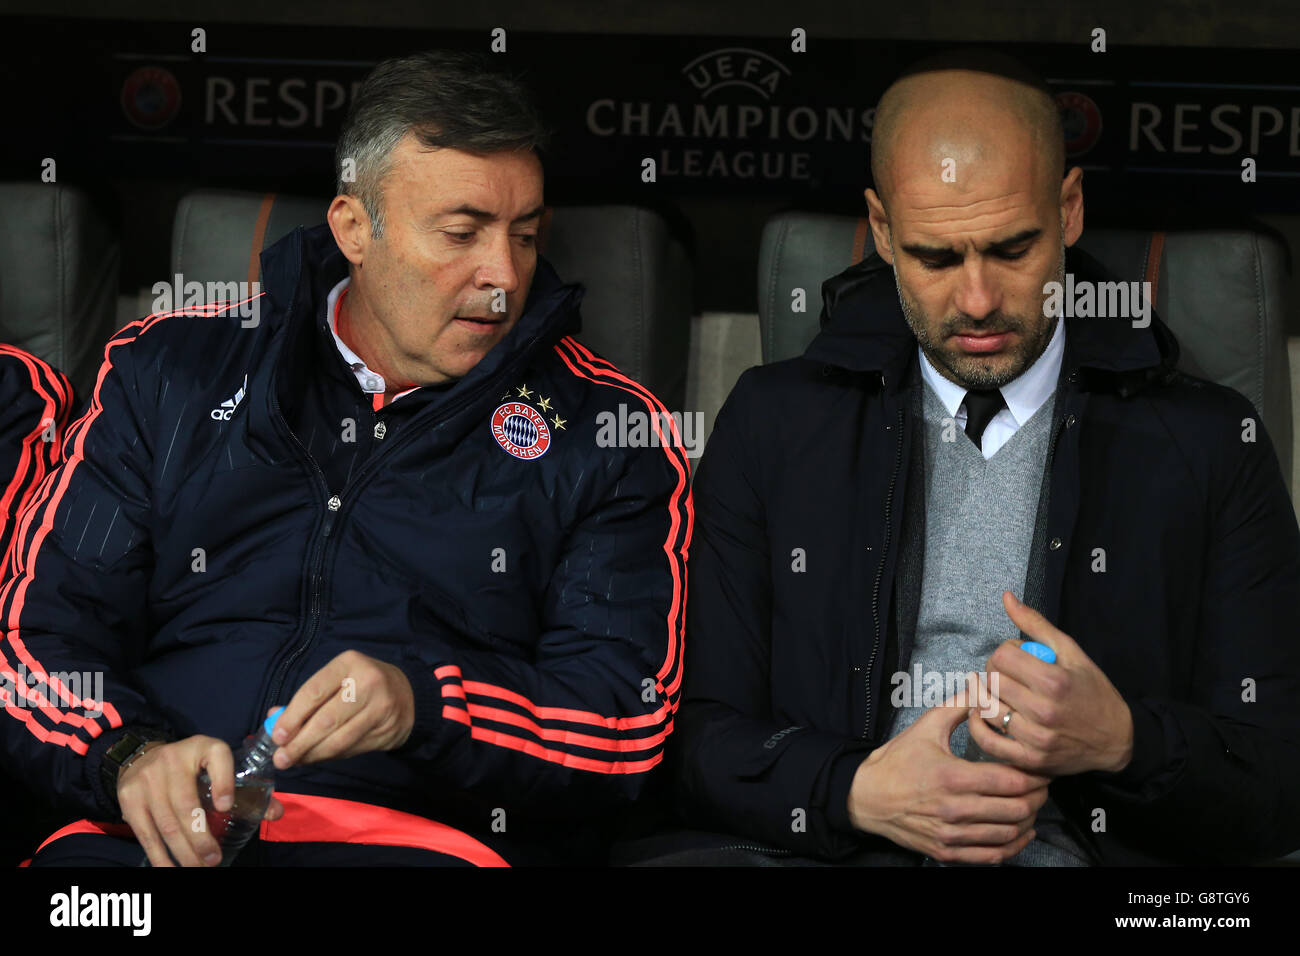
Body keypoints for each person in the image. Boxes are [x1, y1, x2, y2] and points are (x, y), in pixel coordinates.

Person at [1, 50, 691, 867]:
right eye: (462, 233)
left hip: (419, 846)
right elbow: (35, 642)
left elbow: (623, 726)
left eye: (527, 235)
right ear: (354, 228)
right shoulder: (170, 368)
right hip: (148, 839)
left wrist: (426, 708)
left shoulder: (610, 431)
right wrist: (127, 756)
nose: (504, 277)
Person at [669, 49, 1300, 866]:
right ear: (885, 231)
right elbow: (686, 737)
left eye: (1012, 250)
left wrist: (1125, 741)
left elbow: (1279, 777)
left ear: (1069, 210)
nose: (976, 301)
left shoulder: (1210, 441)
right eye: (935, 257)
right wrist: (854, 790)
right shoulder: (774, 421)